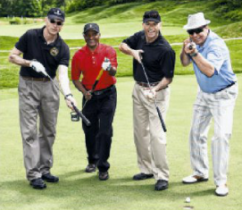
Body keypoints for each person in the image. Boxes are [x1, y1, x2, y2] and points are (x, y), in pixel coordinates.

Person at [8, 8, 77, 190]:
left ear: (62, 25)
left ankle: (45, 168)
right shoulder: (30, 35)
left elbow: (62, 75)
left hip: (50, 86)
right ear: (46, 20)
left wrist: (68, 95)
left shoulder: (62, 48)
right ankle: (34, 174)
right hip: (28, 85)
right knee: (30, 131)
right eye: (53, 21)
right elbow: (12, 56)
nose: (55, 25)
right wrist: (29, 62)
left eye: (59, 23)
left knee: (49, 130)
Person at [180, 12, 238, 196]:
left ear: (206, 28)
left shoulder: (216, 45)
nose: (196, 34)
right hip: (204, 94)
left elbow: (210, 71)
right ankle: (199, 172)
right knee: (195, 133)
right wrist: (185, 49)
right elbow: (183, 63)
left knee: (220, 136)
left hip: (224, 94)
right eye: (192, 31)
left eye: (199, 30)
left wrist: (194, 52)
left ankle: (221, 182)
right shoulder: (192, 43)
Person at [119, 10, 175, 191]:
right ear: (143, 24)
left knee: (157, 136)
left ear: (160, 25)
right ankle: (147, 169)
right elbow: (122, 46)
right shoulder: (139, 37)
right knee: (140, 132)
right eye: (148, 24)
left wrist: (155, 89)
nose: (151, 28)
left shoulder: (165, 49)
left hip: (157, 93)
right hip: (138, 90)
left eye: (154, 24)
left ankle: (162, 175)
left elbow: (168, 78)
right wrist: (132, 52)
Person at [71, 23, 117, 181]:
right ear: (84, 36)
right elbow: (75, 79)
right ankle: (92, 160)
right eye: (88, 34)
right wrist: (84, 92)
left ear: (99, 35)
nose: (91, 37)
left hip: (107, 95)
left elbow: (113, 72)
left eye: (94, 34)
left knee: (105, 131)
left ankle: (103, 167)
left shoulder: (108, 50)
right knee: (90, 129)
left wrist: (108, 66)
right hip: (89, 96)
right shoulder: (78, 55)